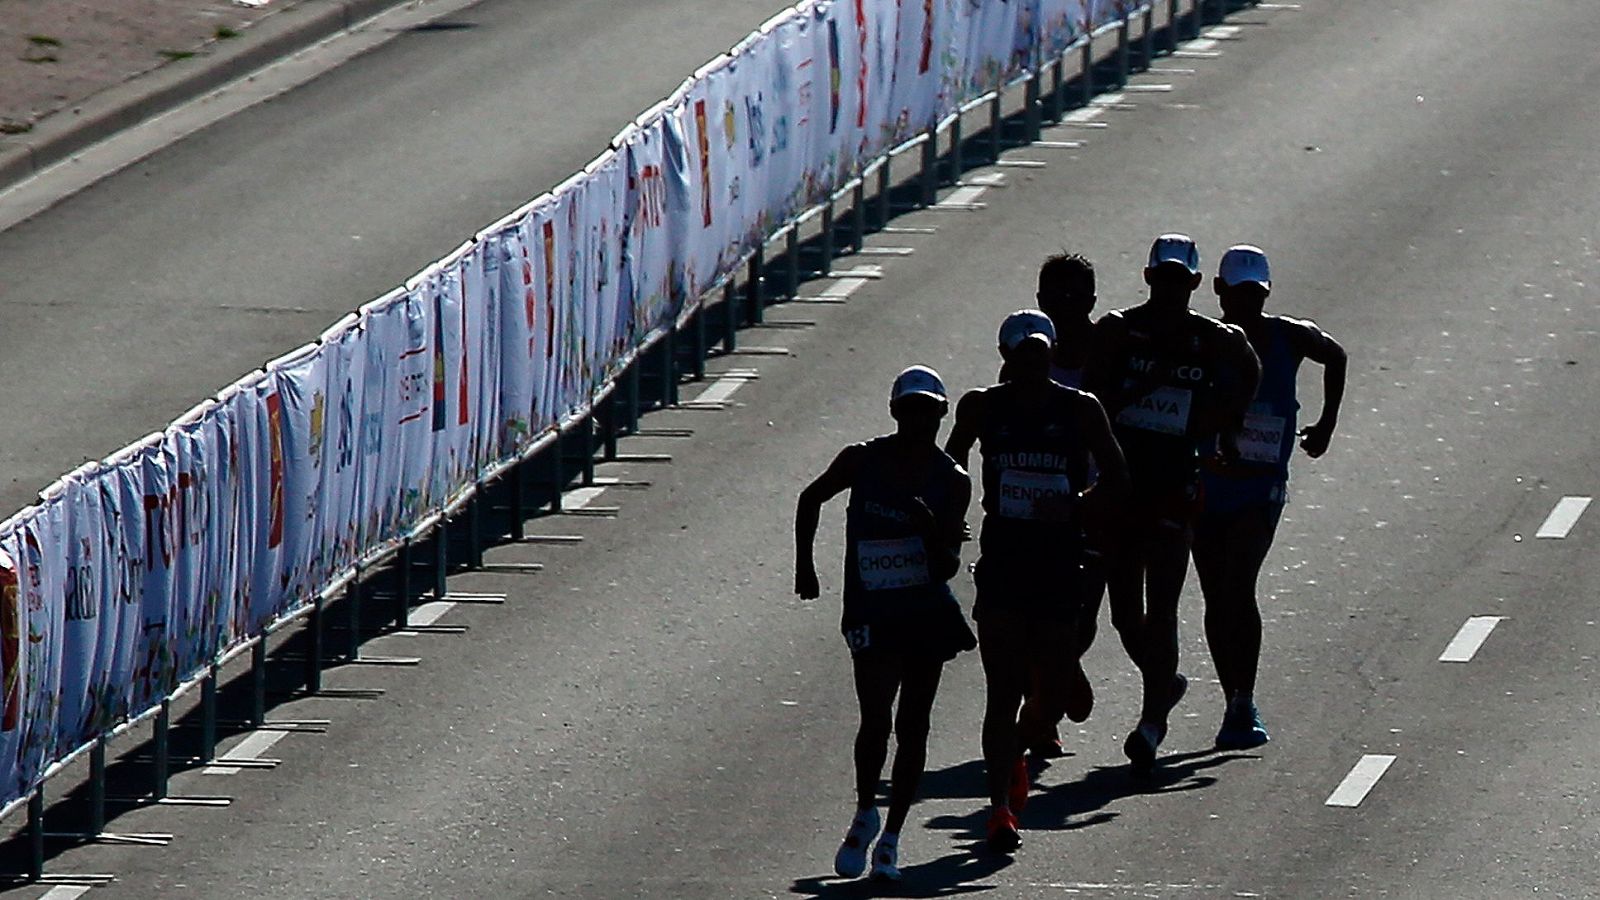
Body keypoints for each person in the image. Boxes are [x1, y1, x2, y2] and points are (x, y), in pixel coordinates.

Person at [945, 310, 1129, 852]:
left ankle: (1021, 750)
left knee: (1051, 702)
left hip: (1058, 564)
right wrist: (948, 525)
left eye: (1039, 352)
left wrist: (1072, 504)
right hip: (1004, 563)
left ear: (1050, 354)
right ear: (1006, 357)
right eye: (1021, 353)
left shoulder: (1080, 409)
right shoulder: (983, 407)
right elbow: (949, 467)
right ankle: (1000, 807)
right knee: (1001, 691)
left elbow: (1118, 479)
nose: (1032, 362)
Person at [1083, 234, 1260, 771]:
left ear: (1194, 284)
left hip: (1175, 485)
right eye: (1161, 279)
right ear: (1147, 277)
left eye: (1179, 281)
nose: (1169, 289)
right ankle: (1167, 682)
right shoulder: (1118, 329)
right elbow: (1091, 398)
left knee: (1161, 608)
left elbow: (1250, 367)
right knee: (1124, 617)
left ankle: (1151, 721)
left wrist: (1227, 424)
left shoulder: (1211, 337)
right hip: (1122, 484)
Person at [795, 365, 977, 882]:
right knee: (875, 717)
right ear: (896, 412)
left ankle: (892, 837)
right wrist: (805, 566)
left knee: (913, 724)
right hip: (872, 609)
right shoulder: (863, 459)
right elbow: (811, 498)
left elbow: (947, 566)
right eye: (910, 410)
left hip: (924, 611)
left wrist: (928, 531)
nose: (919, 420)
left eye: (929, 411)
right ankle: (864, 812)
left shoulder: (952, 480)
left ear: (941, 415)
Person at [1192, 245, 1346, 749]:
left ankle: (1243, 698)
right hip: (1209, 484)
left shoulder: (1289, 336)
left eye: (1255, 295)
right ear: (1219, 291)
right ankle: (1232, 698)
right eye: (1238, 294)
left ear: (1267, 293)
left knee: (1240, 584)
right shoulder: (1204, 340)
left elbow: (1336, 355)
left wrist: (1325, 423)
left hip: (1261, 487)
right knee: (1218, 595)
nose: (1247, 304)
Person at [1016, 252, 1114, 758]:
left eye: (1075, 297)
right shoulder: (1027, 356)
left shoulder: (1109, 351)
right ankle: (1042, 715)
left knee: (1080, 621)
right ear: (1040, 300)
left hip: (1092, 508)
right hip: (1031, 509)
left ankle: (1063, 669)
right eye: (1054, 297)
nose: (1064, 305)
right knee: (1032, 616)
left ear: (1093, 301)